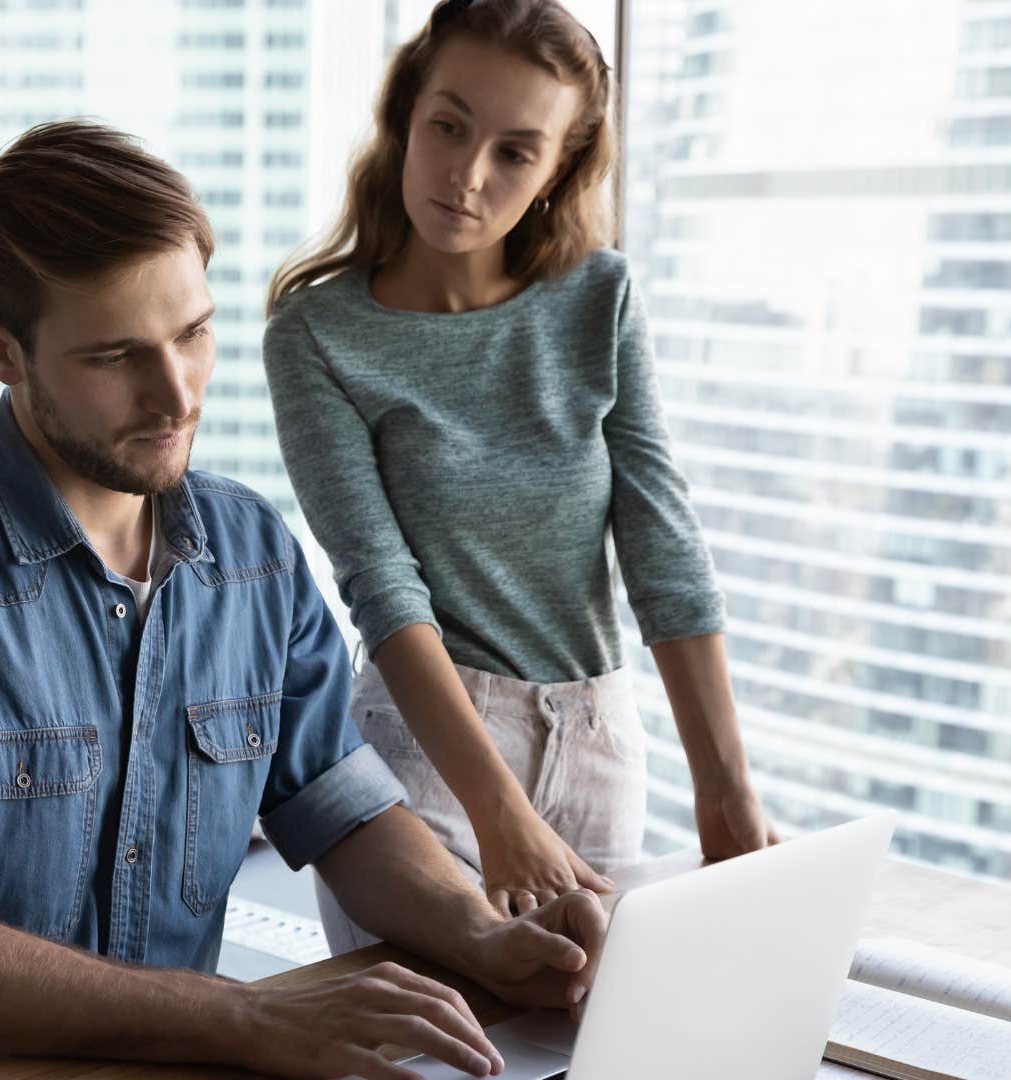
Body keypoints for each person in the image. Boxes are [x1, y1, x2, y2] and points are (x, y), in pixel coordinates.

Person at [0, 119, 608, 1080]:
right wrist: (246, 1017)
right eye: (116, 356)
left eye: (195, 334)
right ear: (3, 353)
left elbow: (346, 812)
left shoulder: (252, 554)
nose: (176, 396)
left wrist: (481, 934)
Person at [263, 0, 778, 953]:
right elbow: (381, 586)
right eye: (449, 127)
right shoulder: (318, 335)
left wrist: (727, 788)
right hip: (425, 755)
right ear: (406, 116)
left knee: (592, 1040)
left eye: (514, 152)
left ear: (557, 171)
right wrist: (497, 813)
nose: (467, 177)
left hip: (600, 745)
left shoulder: (599, 298)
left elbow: (662, 543)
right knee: (433, 1048)